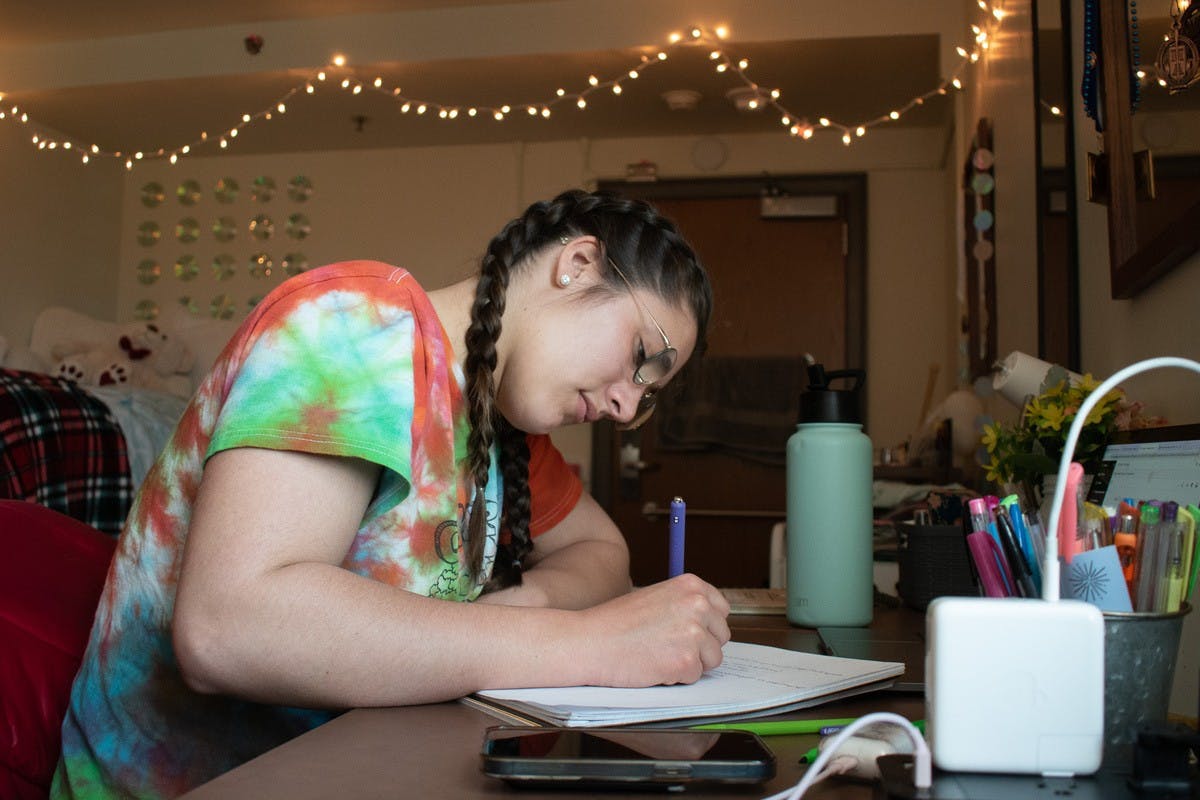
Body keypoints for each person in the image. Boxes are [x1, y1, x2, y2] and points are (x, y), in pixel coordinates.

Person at [52, 189, 729, 798]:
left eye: (647, 397)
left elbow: (598, 548)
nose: (623, 404)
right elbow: (229, 627)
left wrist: (524, 606)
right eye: (643, 358)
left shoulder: (506, 424)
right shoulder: (352, 326)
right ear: (577, 264)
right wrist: (581, 643)